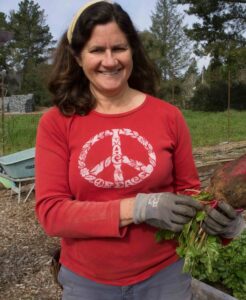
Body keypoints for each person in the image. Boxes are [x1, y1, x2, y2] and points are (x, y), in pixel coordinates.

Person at [35, 1, 245, 299]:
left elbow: (190, 195)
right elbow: (52, 213)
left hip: (164, 277)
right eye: (96, 50)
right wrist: (139, 208)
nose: (110, 61)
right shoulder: (56, 122)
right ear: (77, 57)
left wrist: (224, 224)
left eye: (119, 48)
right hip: (88, 281)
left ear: (133, 50)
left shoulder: (168, 116)